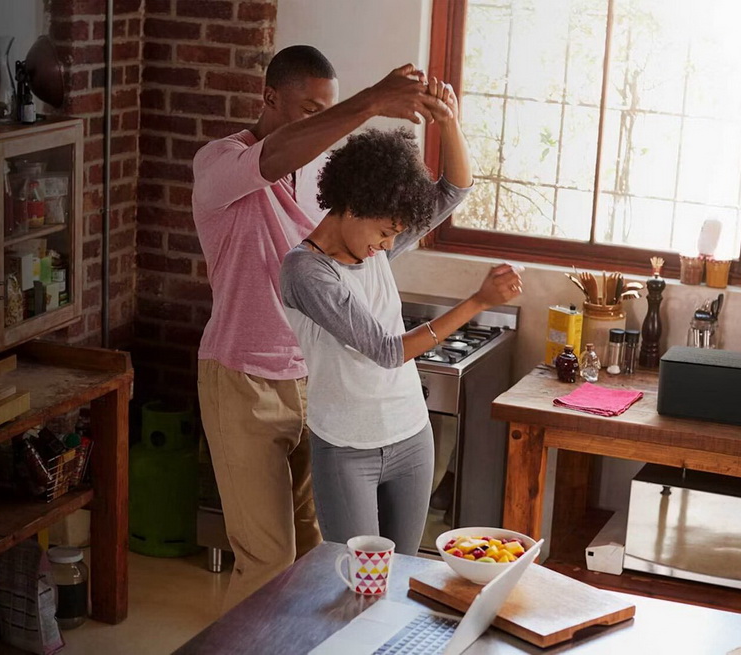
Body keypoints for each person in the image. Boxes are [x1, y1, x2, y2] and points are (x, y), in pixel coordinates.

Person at [192, 45, 450, 607]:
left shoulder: (318, 181)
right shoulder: (218, 165)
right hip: (243, 381)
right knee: (268, 561)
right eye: (311, 110)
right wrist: (373, 101)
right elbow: (274, 155)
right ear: (268, 97)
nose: (323, 124)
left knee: (322, 559)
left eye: (326, 110)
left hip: (316, 381)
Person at [280, 79, 524, 556]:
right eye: (386, 232)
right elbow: (387, 350)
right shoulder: (305, 271)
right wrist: (477, 301)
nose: (390, 244)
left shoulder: (372, 246)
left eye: (395, 233)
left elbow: (454, 188)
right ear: (353, 205)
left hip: (411, 435)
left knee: (403, 577)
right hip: (347, 449)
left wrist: (448, 119)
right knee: (359, 585)